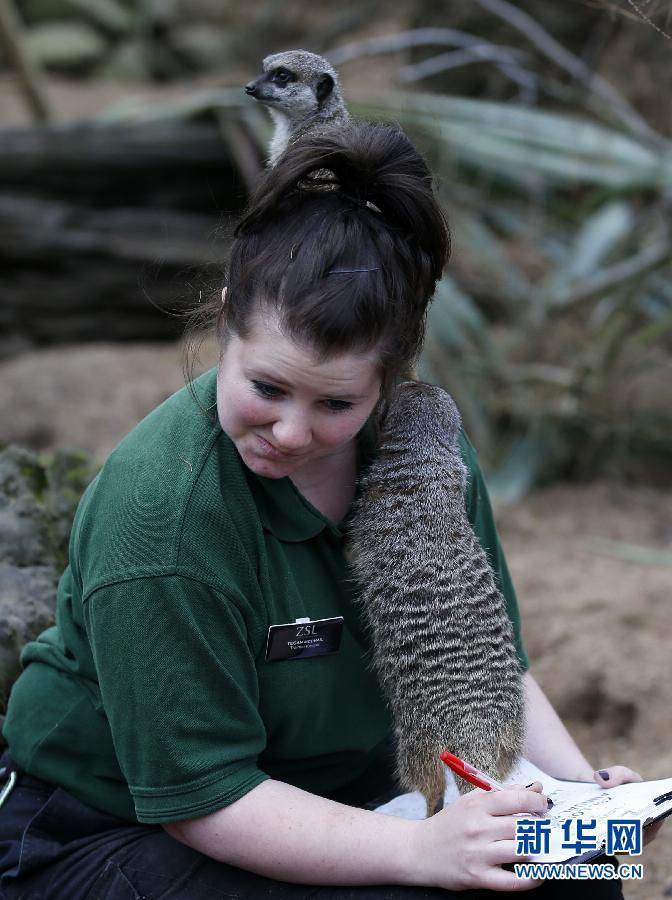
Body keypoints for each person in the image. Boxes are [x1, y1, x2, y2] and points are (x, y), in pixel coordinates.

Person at [0, 123, 645, 898]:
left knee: (578, 873)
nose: (292, 433)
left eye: (336, 403)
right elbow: (203, 801)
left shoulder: (422, 451)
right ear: (226, 320)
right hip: (106, 830)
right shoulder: (164, 516)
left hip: (339, 789)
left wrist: (587, 794)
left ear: (390, 380)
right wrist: (420, 853)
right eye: (268, 388)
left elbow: (488, 660)